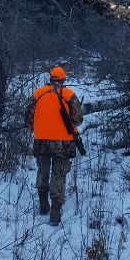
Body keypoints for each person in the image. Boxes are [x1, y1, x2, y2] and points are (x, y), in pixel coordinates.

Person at [24, 66, 84, 225]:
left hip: (41, 141)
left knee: (42, 169)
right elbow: (78, 120)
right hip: (62, 142)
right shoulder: (68, 95)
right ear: (63, 80)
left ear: (50, 78)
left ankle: (43, 205)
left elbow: (29, 120)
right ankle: (55, 212)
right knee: (59, 173)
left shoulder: (38, 94)